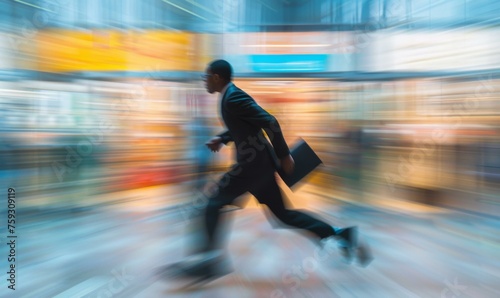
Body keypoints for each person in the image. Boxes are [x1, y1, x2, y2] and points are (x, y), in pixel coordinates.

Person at [169, 60, 370, 283]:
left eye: (206, 77)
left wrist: (285, 156)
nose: (204, 81)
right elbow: (246, 125)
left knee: (212, 203)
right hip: (258, 168)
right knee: (284, 215)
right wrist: (223, 138)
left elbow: (270, 122)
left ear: (217, 77)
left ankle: (209, 262)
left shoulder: (233, 96)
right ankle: (340, 234)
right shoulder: (229, 96)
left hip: (250, 168)